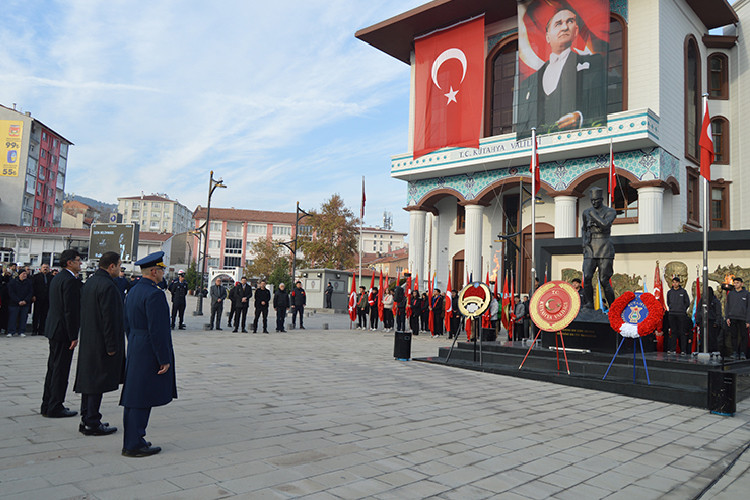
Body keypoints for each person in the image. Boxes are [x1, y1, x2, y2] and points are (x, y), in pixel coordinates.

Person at [516, 6, 606, 137]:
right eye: (558, 24)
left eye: (570, 21)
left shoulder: (593, 64)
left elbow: (598, 104)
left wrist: (581, 117)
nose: (565, 27)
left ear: (576, 31)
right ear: (547, 37)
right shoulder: (530, 82)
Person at [120, 251, 176, 457]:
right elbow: (158, 330)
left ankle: (134, 438)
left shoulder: (133, 291)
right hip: (149, 349)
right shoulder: (155, 294)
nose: (162, 273)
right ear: (154, 271)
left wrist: (134, 341)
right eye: (161, 269)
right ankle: (134, 443)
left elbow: (126, 323)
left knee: (134, 394)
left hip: (136, 344)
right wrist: (164, 358)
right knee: (141, 396)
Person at [73, 251, 123, 436]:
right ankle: (92, 422)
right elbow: (108, 319)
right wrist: (111, 347)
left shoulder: (92, 282)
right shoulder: (108, 286)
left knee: (89, 381)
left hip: (90, 340)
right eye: (119, 265)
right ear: (111, 266)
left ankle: (87, 417)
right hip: (102, 343)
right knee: (97, 383)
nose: (120, 269)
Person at [41, 249, 82, 418]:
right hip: (63, 331)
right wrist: (73, 335)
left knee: (53, 368)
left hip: (54, 328)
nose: (81, 263)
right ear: (69, 262)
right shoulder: (70, 280)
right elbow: (69, 311)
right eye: (78, 260)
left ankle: (47, 403)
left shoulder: (58, 278)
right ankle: (55, 406)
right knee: (60, 369)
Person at [581, 187, 617, 309]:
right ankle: (589, 303)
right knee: (586, 277)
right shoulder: (586, 212)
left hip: (604, 246)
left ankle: (613, 306)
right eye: (592, 200)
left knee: (604, 280)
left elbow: (605, 225)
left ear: (601, 199)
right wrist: (584, 243)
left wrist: (594, 215)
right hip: (590, 247)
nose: (594, 203)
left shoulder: (610, 211)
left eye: (596, 200)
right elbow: (584, 229)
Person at [725, 277, 750, 360]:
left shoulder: (747, 294)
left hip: (743, 318)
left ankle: (743, 353)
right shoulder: (731, 294)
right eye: (734, 283)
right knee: (733, 336)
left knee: (744, 336)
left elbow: (748, 307)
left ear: (741, 284)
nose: (736, 284)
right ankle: (735, 352)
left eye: (737, 283)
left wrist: (748, 320)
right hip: (733, 317)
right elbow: (727, 306)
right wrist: (727, 317)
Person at [667, 276, 691, 355]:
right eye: (673, 282)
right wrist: (671, 308)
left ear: (679, 283)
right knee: (673, 332)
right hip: (672, 314)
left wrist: (683, 309)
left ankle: (683, 350)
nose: (675, 284)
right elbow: (668, 302)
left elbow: (687, 302)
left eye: (676, 282)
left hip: (681, 314)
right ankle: (672, 349)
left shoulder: (683, 292)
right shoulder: (670, 292)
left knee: (682, 332)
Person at [696, 286, 722, 354]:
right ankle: (703, 350)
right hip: (703, 321)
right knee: (703, 337)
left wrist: (717, 322)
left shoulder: (715, 301)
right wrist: (698, 320)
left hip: (712, 322)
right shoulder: (702, 300)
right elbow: (699, 310)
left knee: (712, 338)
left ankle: (713, 351)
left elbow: (718, 312)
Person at [7, 269, 33, 337]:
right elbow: (11, 293)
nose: (25, 275)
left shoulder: (29, 282)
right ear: (19, 274)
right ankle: (11, 331)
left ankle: (21, 331)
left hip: (25, 303)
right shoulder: (13, 282)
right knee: (13, 318)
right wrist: (18, 301)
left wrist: (25, 300)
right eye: (23, 274)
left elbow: (30, 293)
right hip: (14, 303)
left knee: (23, 318)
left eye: (26, 274)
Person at [31, 263, 52, 336]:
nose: (45, 268)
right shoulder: (36, 277)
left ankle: (41, 330)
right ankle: (34, 330)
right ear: (41, 268)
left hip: (47, 299)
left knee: (44, 315)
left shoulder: (51, 277)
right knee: (36, 315)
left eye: (46, 267)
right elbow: (32, 287)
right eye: (44, 267)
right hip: (38, 298)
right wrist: (33, 295)